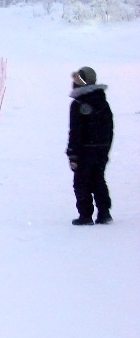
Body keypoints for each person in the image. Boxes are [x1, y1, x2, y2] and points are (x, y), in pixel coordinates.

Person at [67, 66, 113, 224]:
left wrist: (72, 153)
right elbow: (109, 128)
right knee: (98, 179)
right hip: (101, 149)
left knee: (81, 182)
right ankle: (104, 213)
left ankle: (85, 215)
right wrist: (105, 148)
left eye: (77, 79)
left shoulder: (78, 104)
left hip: (84, 150)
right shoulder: (102, 102)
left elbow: (75, 131)